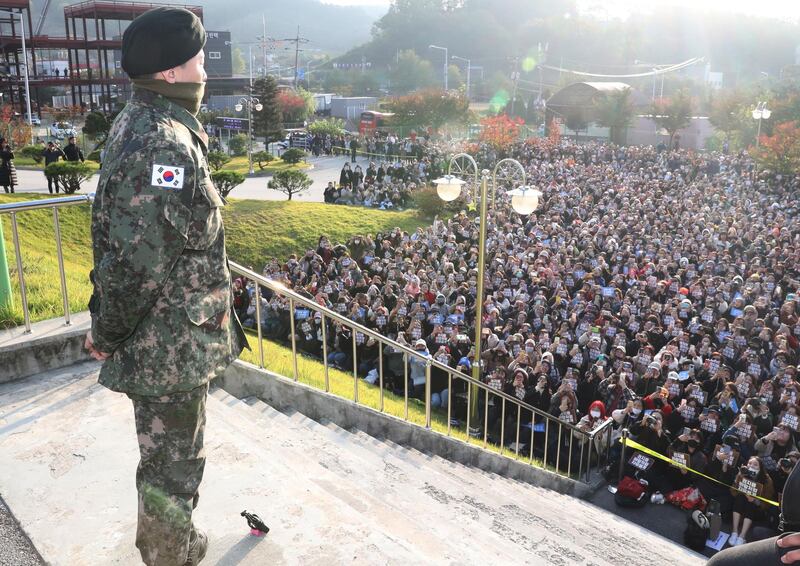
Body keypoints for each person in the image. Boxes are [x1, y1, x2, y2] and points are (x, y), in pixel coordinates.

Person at [85, 8, 247, 565]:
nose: (206, 69)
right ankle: (169, 554)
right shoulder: (162, 145)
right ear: (174, 72)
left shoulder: (145, 124)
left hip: (166, 340)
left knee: (167, 460)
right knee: (173, 466)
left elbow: (130, 244)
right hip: (167, 347)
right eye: (199, 59)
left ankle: (172, 544)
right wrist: (105, 332)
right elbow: (137, 265)